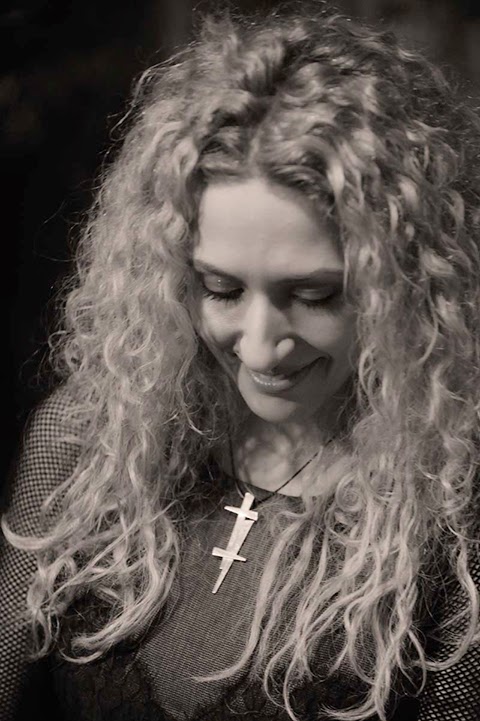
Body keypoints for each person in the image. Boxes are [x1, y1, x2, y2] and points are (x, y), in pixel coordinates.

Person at [1, 4, 480, 720]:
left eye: (314, 295)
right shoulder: (83, 443)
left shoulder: (452, 509)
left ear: (404, 284)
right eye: (221, 289)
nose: (259, 347)